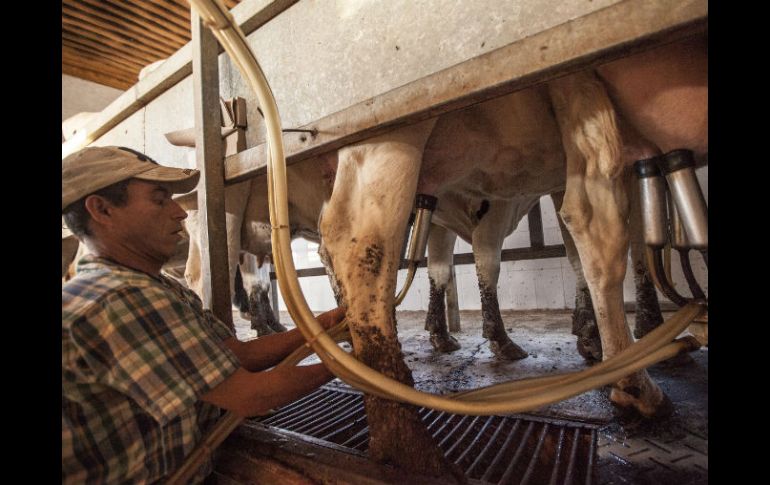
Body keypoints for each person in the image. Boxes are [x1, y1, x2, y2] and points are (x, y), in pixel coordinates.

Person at [62, 146, 345, 484]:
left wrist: (323, 325)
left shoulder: (156, 286)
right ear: (103, 209)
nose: (179, 213)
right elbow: (252, 395)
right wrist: (351, 364)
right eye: (159, 199)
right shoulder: (119, 297)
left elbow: (236, 355)